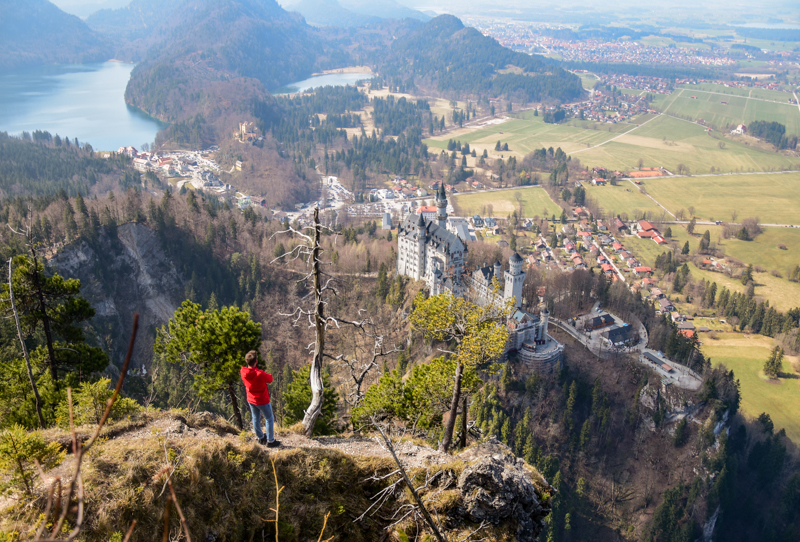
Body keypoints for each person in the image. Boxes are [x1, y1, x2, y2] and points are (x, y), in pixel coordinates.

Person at [240, 350, 281, 447]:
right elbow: (270, 379)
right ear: (256, 362)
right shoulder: (260, 374)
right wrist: (265, 373)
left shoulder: (243, 371)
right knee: (269, 419)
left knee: (255, 418)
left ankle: (260, 438)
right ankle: (270, 441)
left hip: (251, 399)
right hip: (262, 400)